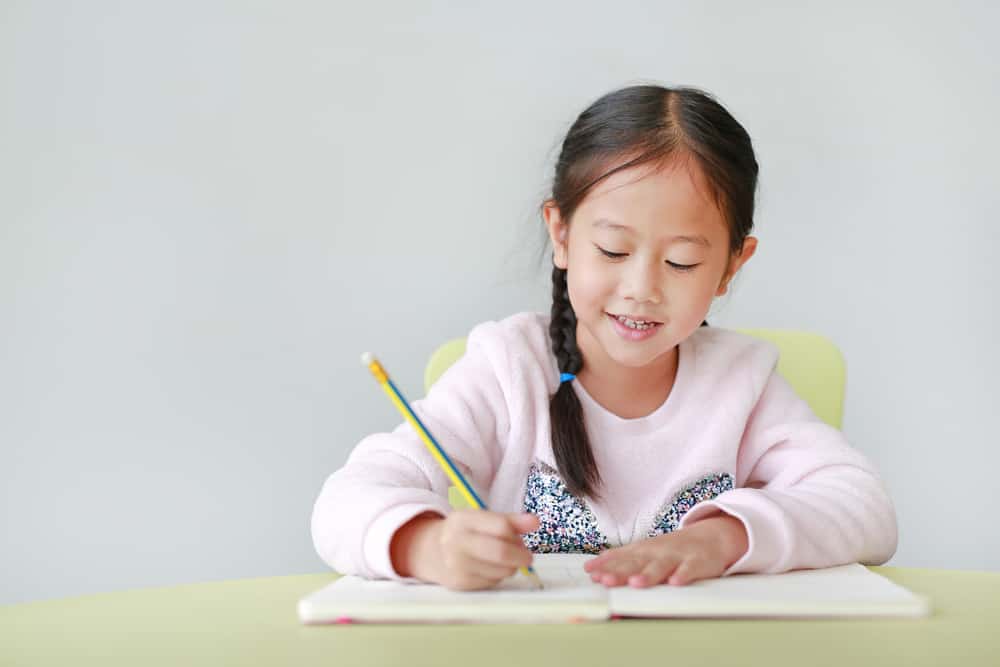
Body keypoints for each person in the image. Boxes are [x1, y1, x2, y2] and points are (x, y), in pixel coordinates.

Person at [311, 84, 897, 591]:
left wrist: (723, 539)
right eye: (613, 250)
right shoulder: (506, 368)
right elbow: (344, 502)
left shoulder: (741, 379)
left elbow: (866, 508)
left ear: (731, 267)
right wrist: (426, 545)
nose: (642, 288)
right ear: (561, 234)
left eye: (684, 262)